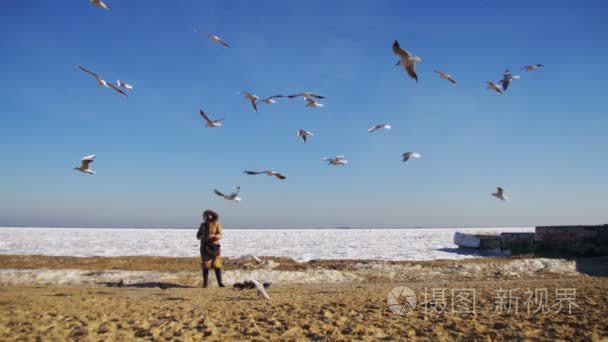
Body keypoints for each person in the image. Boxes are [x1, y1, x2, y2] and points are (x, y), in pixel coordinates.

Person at [196, 209, 225, 288]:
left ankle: (220, 283)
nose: (208, 216)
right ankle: (205, 284)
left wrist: (214, 237)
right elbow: (198, 235)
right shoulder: (203, 225)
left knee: (217, 265)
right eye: (206, 215)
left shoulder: (217, 224)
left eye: (210, 215)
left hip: (214, 247)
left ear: (213, 215)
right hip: (205, 247)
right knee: (205, 266)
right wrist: (202, 236)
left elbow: (220, 234)